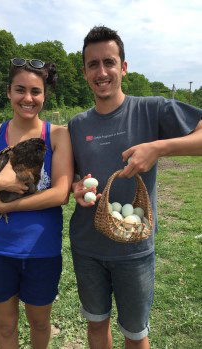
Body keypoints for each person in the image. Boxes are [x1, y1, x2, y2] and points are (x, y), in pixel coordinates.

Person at [68, 25, 202, 349]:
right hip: (87, 248)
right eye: (93, 64)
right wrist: (75, 188)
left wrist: (158, 148)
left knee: (135, 333)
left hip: (135, 251)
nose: (102, 72)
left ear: (123, 67)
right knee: (96, 324)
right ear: (85, 71)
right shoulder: (76, 125)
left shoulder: (152, 108)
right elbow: (71, 179)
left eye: (109, 62)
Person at [0, 58, 73, 349]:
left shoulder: (57, 135)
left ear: (45, 96)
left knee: (40, 324)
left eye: (36, 91)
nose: (28, 98)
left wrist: (7, 206)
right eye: (20, 90)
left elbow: (60, 193)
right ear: (9, 92)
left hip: (41, 250)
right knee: (5, 327)